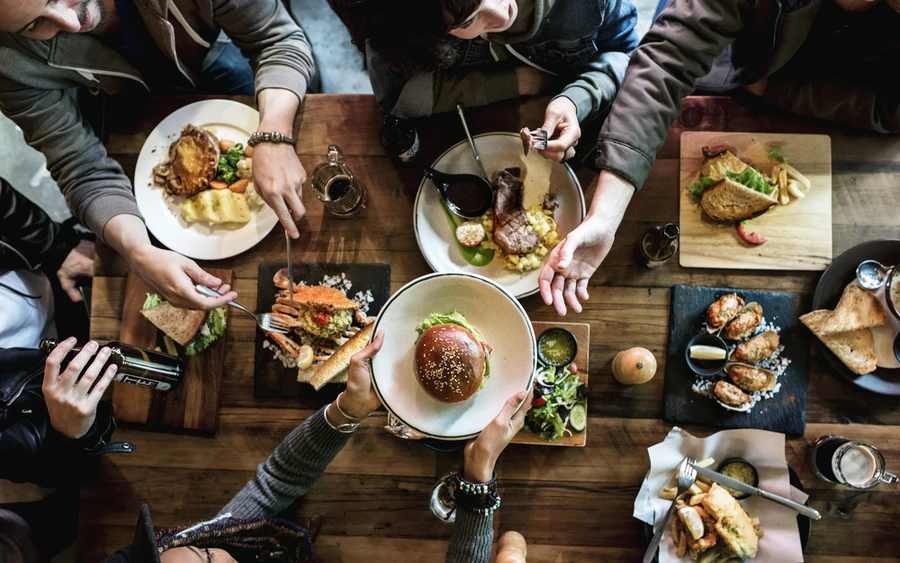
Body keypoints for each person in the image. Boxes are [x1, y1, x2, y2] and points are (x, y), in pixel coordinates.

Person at [539, 0, 900, 315]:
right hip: (733, 60)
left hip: (827, 116)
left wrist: (779, 90)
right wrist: (605, 215)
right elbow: (669, 61)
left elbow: (889, 110)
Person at [95, 330, 530, 563]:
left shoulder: (215, 541)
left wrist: (349, 408)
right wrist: (477, 477)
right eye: (210, 558)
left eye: (201, 549)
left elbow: (275, 483)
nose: (216, 546)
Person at [0, 0, 317, 312]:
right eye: (32, 25)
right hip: (126, 97)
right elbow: (80, 167)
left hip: (214, 51)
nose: (68, 23)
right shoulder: (7, 61)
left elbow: (278, 41)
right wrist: (137, 251)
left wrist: (274, 133)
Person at [329, 0, 638, 162]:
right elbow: (398, 97)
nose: (502, 13)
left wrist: (578, 98)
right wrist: (518, 82)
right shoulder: (406, 21)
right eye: (467, 21)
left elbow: (629, 56)